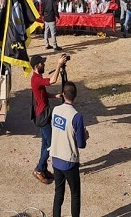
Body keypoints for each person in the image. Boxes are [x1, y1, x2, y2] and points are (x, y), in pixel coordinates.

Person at [50, 81, 88, 217]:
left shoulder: (55, 111)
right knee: (75, 194)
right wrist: (85, 136)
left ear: (63, 94)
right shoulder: (77, 116)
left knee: (58, 194)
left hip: (55, 158)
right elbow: (81, 144)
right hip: (69, 161)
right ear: (75, 96)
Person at [30, 54, 68, 184]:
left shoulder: (37, 78)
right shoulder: (36, 79)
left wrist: (54, 96)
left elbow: (42, 94)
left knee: (45, 144)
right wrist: (58, 65)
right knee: (51, 145)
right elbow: (52, 81)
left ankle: (44, 168)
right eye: (42, 63)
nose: (44, 65)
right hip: (43, 116)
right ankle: (39, 169)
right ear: (37, 66)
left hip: (43, 114)